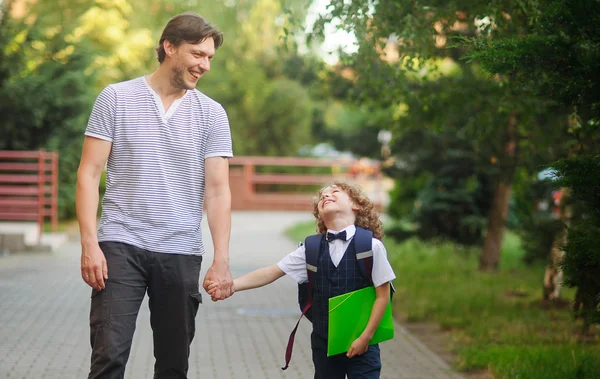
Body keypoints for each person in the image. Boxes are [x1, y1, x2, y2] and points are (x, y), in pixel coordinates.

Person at [76, 12, 234, 379]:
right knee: (108, 358)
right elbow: (88, 174)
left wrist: (221, 258)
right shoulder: (115, 98)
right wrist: (89, 244)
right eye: (197, 54)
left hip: (180, 248)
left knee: (174, 365)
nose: (205, 65)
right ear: (169, 47)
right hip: (120, 243)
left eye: (210, 57)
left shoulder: (212, 114)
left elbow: (217, 190)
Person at [209, 181, 396, 378]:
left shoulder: (371, 247)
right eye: (322, 196)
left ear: (356, 205)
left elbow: (382, 297)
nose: (326, 196)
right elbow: (272, 272)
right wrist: (231, 286)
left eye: (334, 192)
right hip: (324, 343)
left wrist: (365, 337)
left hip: (363, 343)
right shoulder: (311, 249)